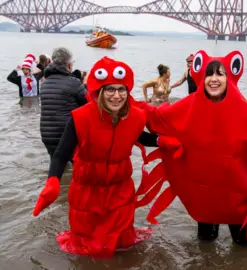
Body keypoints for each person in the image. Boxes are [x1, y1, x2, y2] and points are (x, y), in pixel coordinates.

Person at [134, 50, 247, 252]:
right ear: (202, 76)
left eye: (220, 74)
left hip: (236, 193)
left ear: (230, 77)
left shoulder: (245, 111)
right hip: (204, 194)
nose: (214, 79)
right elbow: (158, 117)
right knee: (205, 245)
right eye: (209, 74)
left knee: (243, 245)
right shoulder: (188, 106)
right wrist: (122, 102)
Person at [32, 56, 161, 258]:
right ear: (99, 91)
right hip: (87, 190)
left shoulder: (136, 116)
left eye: (121, 90)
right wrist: (53, 180)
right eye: (110, 89)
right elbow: (61, 154)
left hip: (120, 189)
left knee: (121, 244)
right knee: (88, 246)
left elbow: (141, 136)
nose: (116, 96)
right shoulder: (80, 118)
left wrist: (163, 141)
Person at [40, 47, 88, 159]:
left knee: (56, 166)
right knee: (77, 167)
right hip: (66, 135)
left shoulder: (45, 83)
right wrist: (85, 84)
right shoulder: (74, 83)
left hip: (47, 136)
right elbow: (88, 104)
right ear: (69, 65)